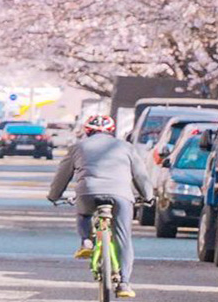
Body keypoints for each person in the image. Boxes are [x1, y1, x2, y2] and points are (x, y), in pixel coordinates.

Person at [47, 114, 152, 299]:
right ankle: (124, 283)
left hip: (88, 192)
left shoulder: (77, 147)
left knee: (84, 214)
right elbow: (140, 175)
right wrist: (148, 196)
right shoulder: (126, 147)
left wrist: (54, 195)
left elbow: (62, 175)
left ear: (87, 131)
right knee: (123, 238)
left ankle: (86, 241)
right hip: (120, 195)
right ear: (111, 131)